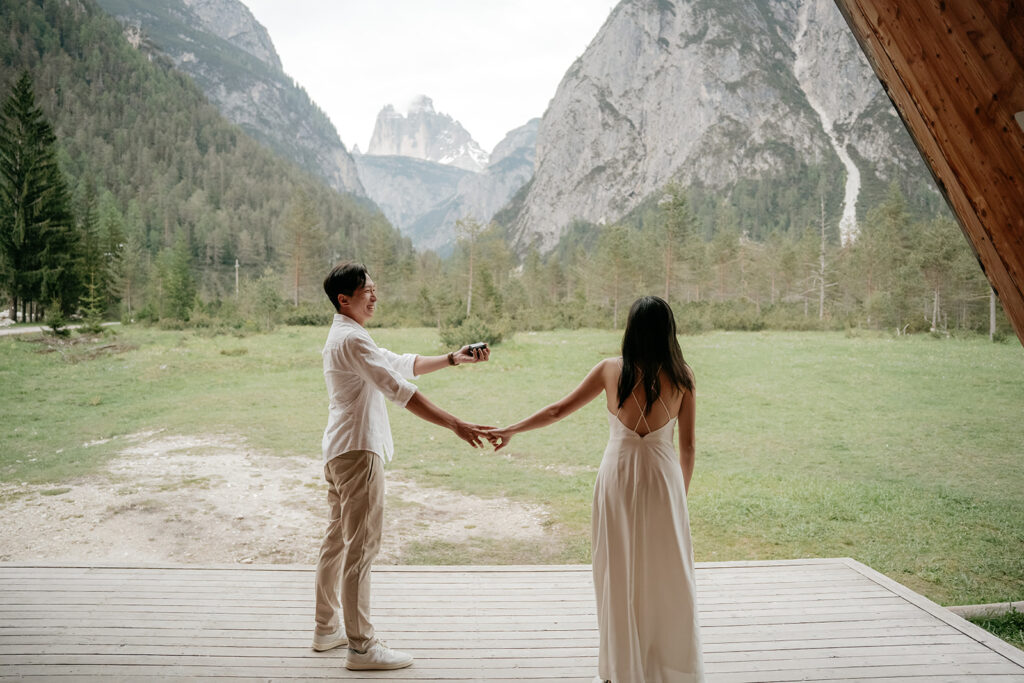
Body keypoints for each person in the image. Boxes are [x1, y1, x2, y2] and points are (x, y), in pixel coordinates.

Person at [486, 296, 704, 682]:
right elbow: (687, 446)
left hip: (618, 477)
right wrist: (678, 499)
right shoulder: (683, 376)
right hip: (663, 480)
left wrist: (510, 430)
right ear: (668, 332)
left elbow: (557, 410)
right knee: (666, 574)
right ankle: (667, 668)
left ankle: (622, 667)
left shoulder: (609, 370)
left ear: (631, 329)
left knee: (616, 570)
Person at [314, 261, 492, 671]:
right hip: (358, 454)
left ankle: (326, 628)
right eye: (367, 291)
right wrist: (456, 424)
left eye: (375, 288)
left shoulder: (349, 336)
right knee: (360, 548)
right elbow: (400, 390)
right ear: (344, 299)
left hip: (340, 451)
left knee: (337, 543)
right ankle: (361, 647)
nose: (375, 296)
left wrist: (452, 358)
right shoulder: (352, 341)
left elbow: (398, 363)